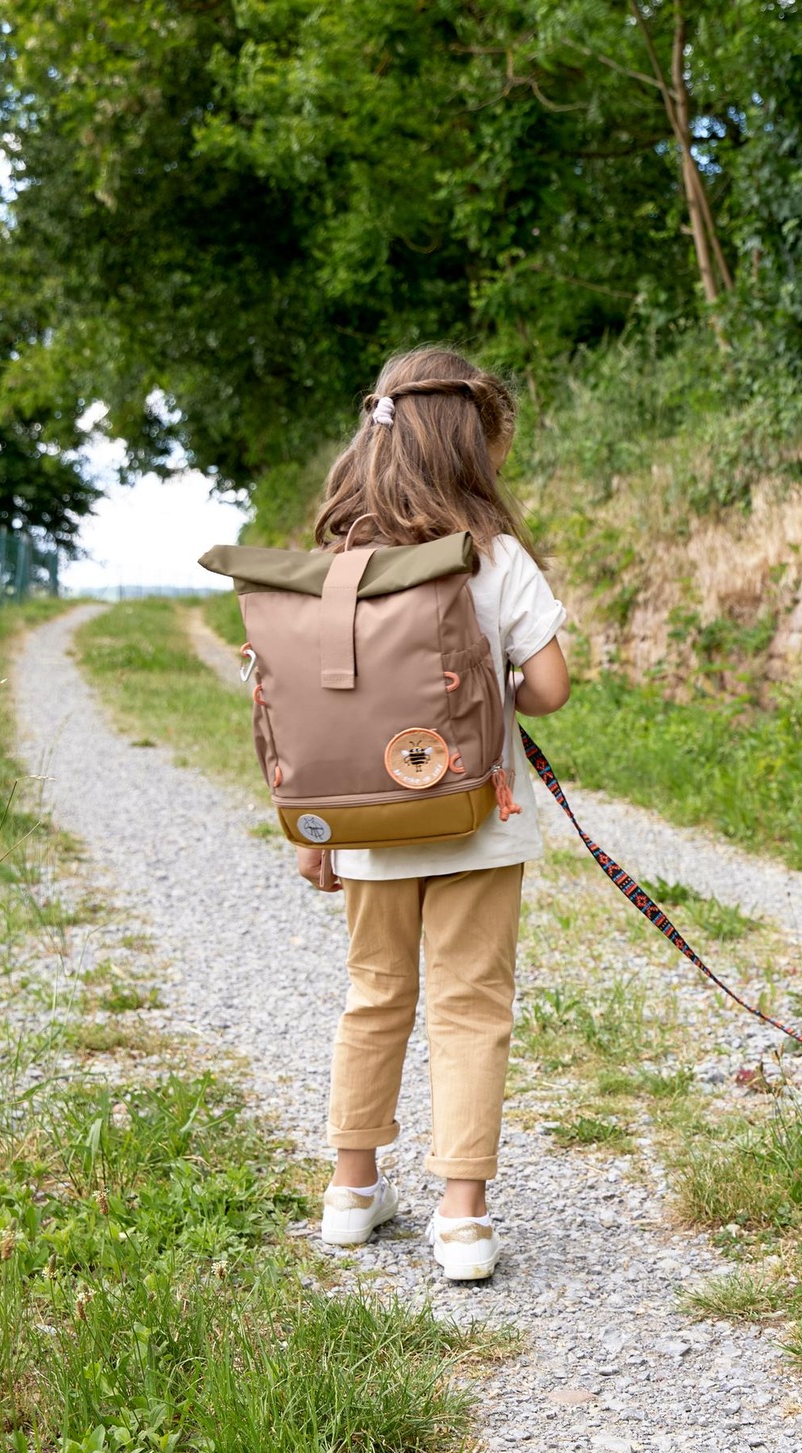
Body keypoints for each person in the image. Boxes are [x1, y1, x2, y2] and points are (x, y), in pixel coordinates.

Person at [295, 346, 572, 1282]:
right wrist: (497, 692)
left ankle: (349, 1190)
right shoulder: (493, 558)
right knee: (471, 1008)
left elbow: (314, 709)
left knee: (374, 997)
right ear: (472, 450)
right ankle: (462, 1217)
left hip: (366, 825)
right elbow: (551, 688)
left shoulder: (341, 563)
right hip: (474, 822)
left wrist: (317, 830)